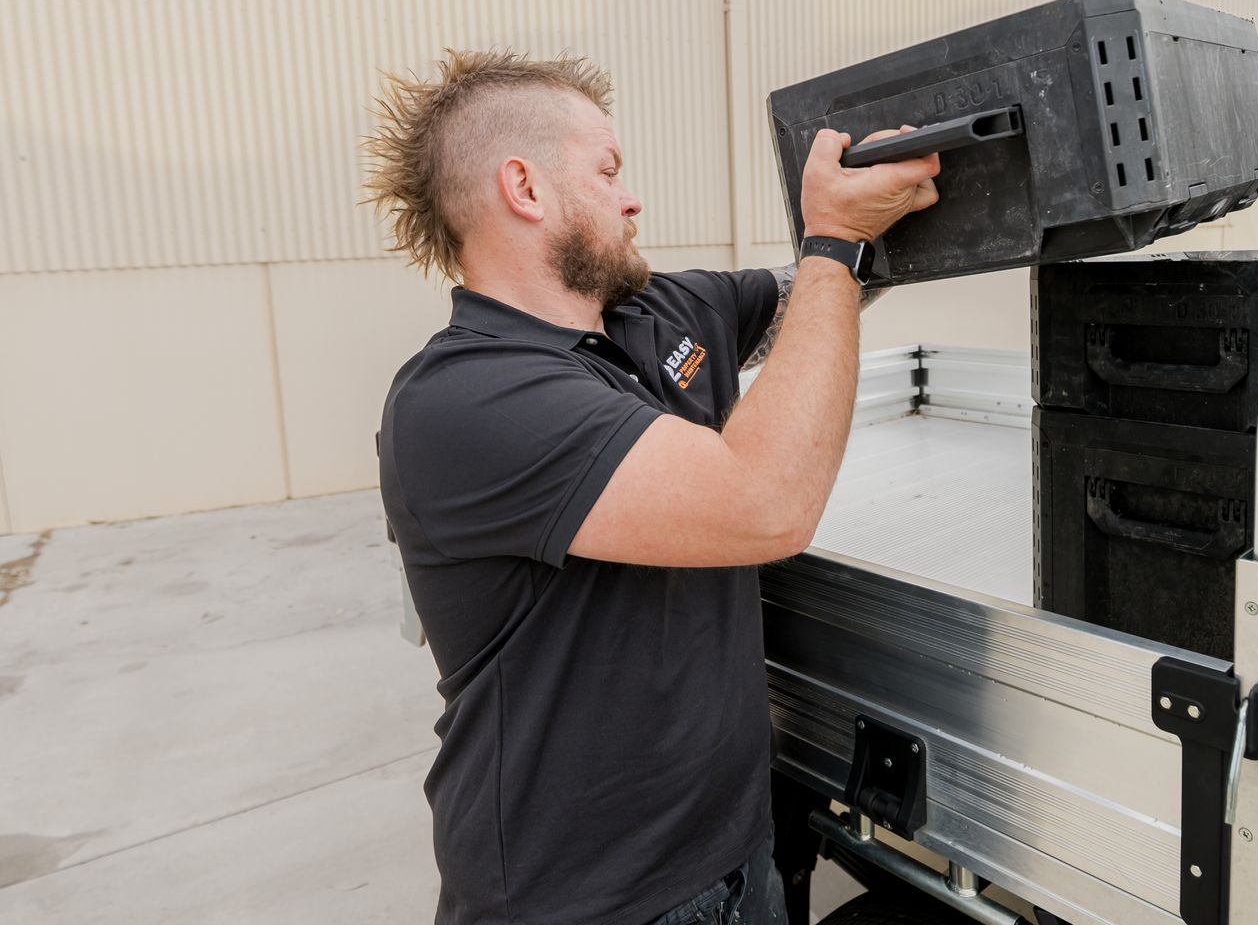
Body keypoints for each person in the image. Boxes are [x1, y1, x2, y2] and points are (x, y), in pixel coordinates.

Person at [364, 49, 938, 925]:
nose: (631, 197)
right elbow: (765, 503)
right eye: (608, 170)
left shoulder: (658, 311)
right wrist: (831, 242)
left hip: (735, 852)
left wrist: (900, 188)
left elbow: (831, 293)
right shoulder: (463, 402)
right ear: (525, 187)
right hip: (591, 902)